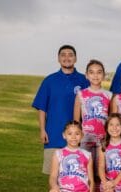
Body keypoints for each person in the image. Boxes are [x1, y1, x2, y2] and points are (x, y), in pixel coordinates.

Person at [32, 45, 89, 175]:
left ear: (75, 58)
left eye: (70, 55)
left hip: (77, 136)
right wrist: (42, 130)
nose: (67, 57)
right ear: (58, 58)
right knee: (54, 175)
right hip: (54, 135)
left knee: (76, 174)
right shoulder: (49, 80)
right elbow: (42, 108)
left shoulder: (83, 80)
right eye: (63, 55)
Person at [73, 59, 112, 192]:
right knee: (85, 177)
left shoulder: (109, 95)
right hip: (86, 139)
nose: (95, 75)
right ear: (87, 75)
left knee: (100, 175)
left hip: (102, 140)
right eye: (92, 72)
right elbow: (76, 120)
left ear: (103, 75)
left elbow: (112, 120)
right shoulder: (81, 94)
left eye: (99, 72)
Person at [47, 121, 94, 192]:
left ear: (82, 136)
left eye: (77, 134)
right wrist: (54, 187)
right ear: (64, 135)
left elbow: (91, 181)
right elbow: (53, 176)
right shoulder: (58, 153)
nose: (73, 137)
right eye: (70, 133)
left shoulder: (87, 155)